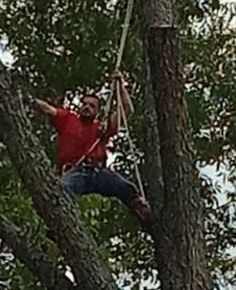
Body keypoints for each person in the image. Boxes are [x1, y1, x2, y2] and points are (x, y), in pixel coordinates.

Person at [34, 72, 151, 222]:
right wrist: (31, 101)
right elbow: (48, 109)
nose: (87, 108)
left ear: (97, 111)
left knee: (125, 187)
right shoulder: (68, 119)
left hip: (98, 172)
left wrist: (120, 85)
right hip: (75, 171)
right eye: (85, 104)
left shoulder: (100, 128)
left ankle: (141, 211)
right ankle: (56, 222)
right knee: (61, 193)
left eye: (91, 106)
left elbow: (127, 110)